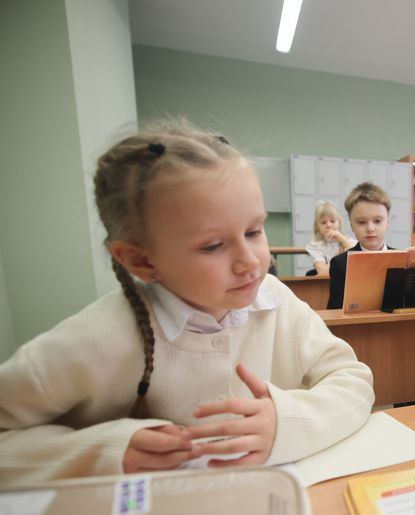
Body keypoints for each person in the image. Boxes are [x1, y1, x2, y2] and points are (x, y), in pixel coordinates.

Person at [0, 121, 375, 486]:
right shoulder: (94, 338)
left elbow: (354, 382)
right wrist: (106, 451)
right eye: (212, 246)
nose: (250, 261)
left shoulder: (276, 300)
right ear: (141, 261)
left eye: (253, 231)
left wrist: (288, 422)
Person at [327, 182, 394, 309]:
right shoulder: (340, 264)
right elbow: (334, 311)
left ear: (388, 222)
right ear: (351, 224)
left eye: (377, 221)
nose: (370, 228)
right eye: (362, 222)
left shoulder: (404, 260)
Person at [305, 200, 356, 276]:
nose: (329, 225)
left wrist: (342, 239)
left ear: (339, 222)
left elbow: (360, 260)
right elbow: (323, 272)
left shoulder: (348, 241)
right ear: (317, 226)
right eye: (323, 222)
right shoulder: (315, 245)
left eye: (332, 221)